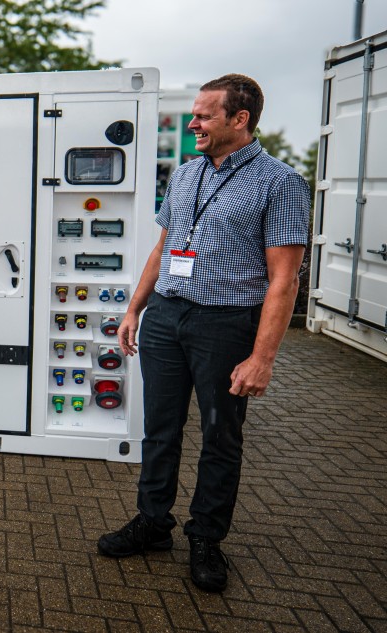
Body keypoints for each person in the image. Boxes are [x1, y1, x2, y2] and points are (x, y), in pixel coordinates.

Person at [97, 74, 310, 593]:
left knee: (219, 435)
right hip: (166, 318)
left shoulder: (281, 182)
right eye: (193, 114)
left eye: (204, 115)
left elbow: (285, 279)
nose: (192, 123)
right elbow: (164, 246)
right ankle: (153, 522)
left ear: (240, 119)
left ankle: (206, 538)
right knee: (159, 428)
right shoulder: (187, 172)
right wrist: (135, 309)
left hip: (226, 324)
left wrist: (262, 358)